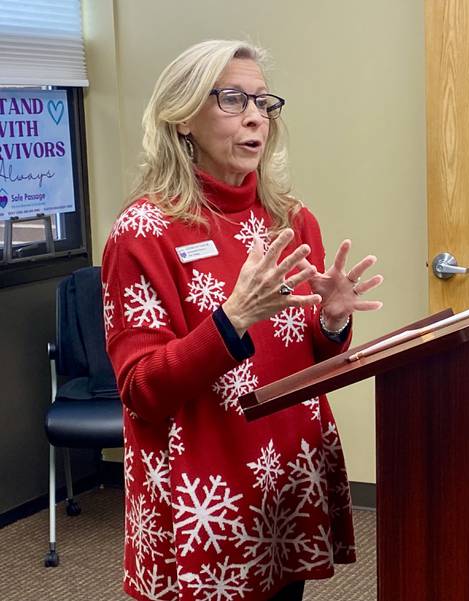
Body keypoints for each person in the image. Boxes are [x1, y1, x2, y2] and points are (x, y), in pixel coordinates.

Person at [102, 40, 383, 601]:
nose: (256, 116)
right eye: (232, 99)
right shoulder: (142, 233)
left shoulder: (291, 220)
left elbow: (306, 359)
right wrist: (231, 320)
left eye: (263, 101)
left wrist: (331, 324)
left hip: (286, 479)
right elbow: (141, 390)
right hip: (206, 496)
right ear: (183, 118)